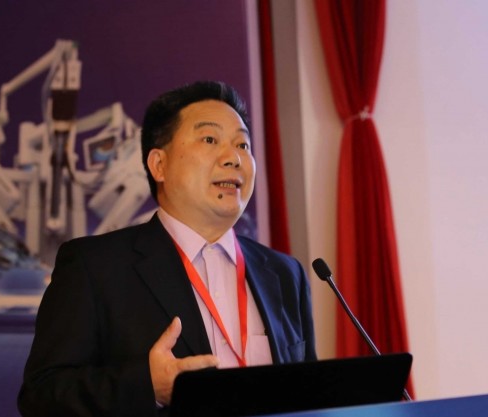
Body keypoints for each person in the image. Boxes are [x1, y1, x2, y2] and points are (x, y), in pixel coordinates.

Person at [17, 81, 317, 417]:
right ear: (159, 165)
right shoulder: (95, 267)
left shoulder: (284, 274)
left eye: (243, 144)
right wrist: (148, 386)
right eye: (210, 139)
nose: (233, 158)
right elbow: (41, 396)